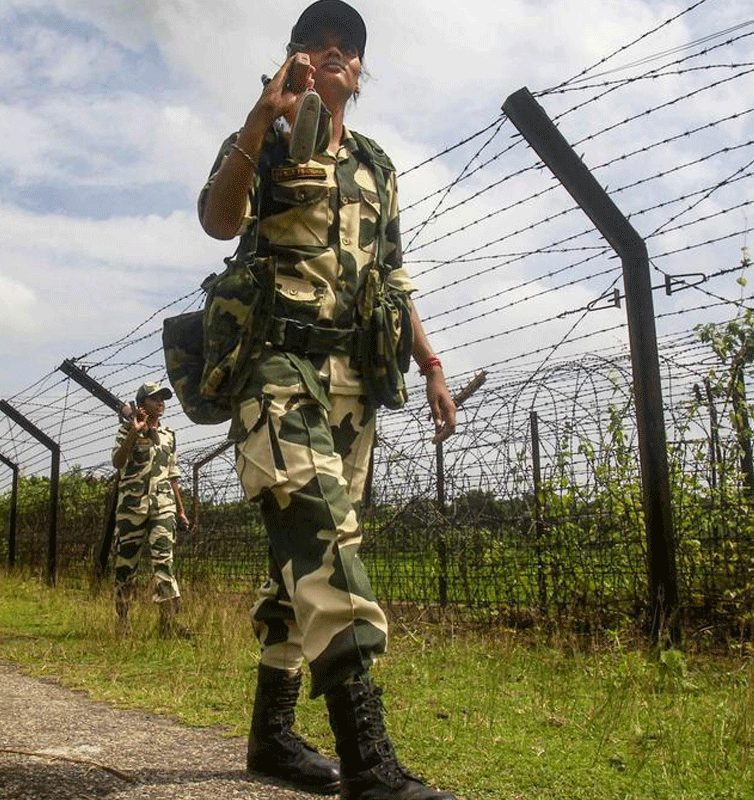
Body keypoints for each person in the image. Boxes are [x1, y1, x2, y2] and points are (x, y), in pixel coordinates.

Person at [197, 2, 459, 798]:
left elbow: (393, 273)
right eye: (315, 42)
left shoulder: (377, 165)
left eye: (348, 48)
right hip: (274, 367)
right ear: (291, 59)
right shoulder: (266, 137)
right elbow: (217, 219)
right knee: (321, 541)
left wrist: (431, 360)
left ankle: (272, 738)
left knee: (297, 566)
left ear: (360, 72)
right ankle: (370, 765)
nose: (333, 54)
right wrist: (259, 121)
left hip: (353, 382)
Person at [111, 381, 192, 638]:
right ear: (142, 403)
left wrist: (180, 510)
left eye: (163, 398)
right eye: (155, 398)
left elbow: (173, 475)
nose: (161, 402)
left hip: (163, 507)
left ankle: (168, 625)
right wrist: (135, 433)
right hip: (132, 507)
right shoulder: (127, 430)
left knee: (163, 561)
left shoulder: (169, 434)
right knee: (126, 566)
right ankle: (123, 621)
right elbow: (118, 461)